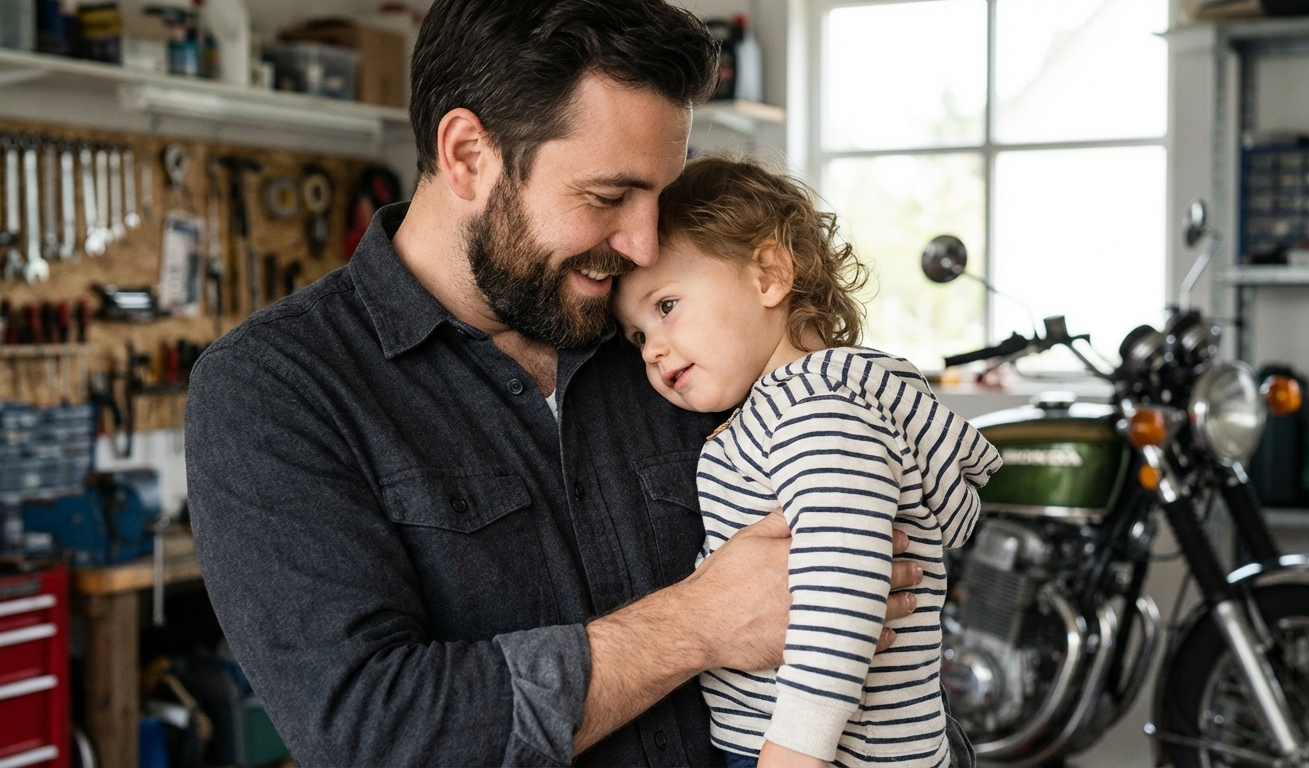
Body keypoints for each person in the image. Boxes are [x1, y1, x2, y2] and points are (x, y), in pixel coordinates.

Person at [184, 1, 949, 765]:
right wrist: (696, 624)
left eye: (658, 194)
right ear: (467, 155)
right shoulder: (274, 390)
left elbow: (884, 610)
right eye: (609, 197)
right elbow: (374, 731)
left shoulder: (679, 342)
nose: (643, 243)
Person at [612, 158, 1000, 768]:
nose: (653, 350)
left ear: (768, 274)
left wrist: (796, 750)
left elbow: (842, 588)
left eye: (665, 307)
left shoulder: (816, 416)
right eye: (636, 337)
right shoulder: (790, 408)